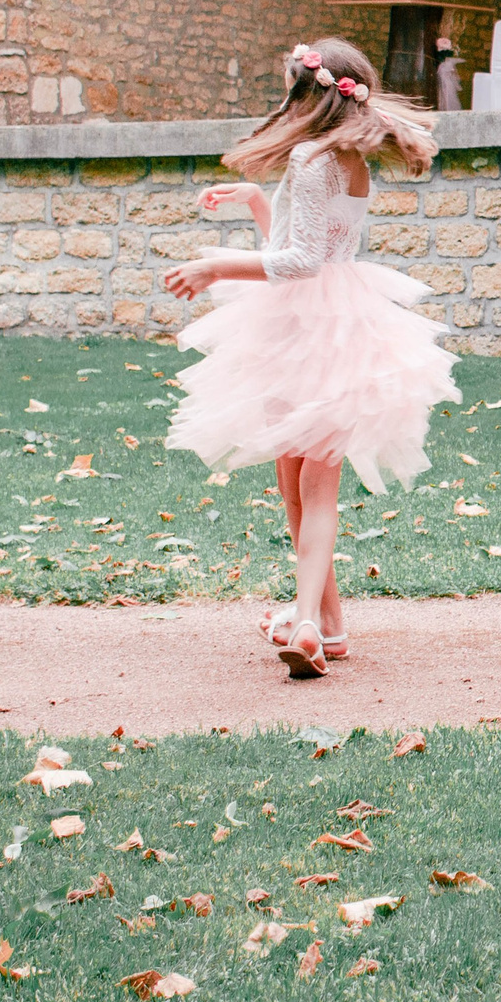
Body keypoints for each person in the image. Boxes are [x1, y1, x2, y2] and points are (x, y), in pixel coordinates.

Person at [163, 39, 459, 678]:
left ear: (308, 92)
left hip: (307, 331)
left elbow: (297, 263)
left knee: (307, 491)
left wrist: (217, 266)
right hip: (333, 322)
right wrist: (255, 201)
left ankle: (305, 622)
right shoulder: (347, 159)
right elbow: (299, 246)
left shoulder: (308, 157)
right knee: (302, 488)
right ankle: (327, 624)